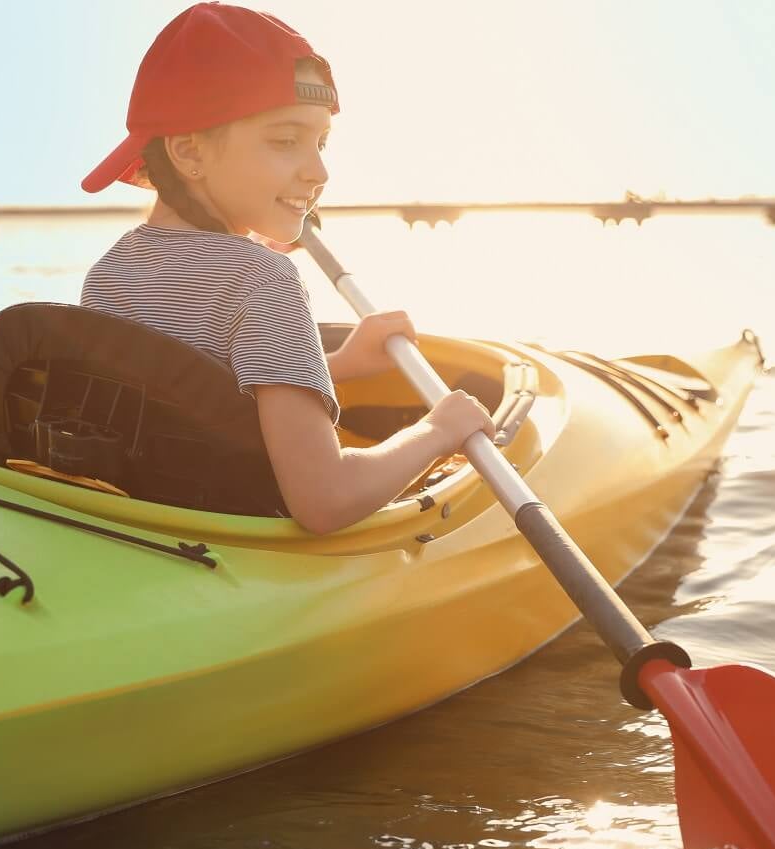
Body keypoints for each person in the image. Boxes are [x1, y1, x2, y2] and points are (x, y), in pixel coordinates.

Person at [78, 2, 494, 533]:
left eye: (320, 142)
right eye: (285, 141)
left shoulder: (112, 269)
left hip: (138, 517)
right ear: (188, 152)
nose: (319, 171)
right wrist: (438, 429)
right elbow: (325, 501)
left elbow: (192, 393)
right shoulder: (263, 279)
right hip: (231, 542)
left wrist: (335, 364)